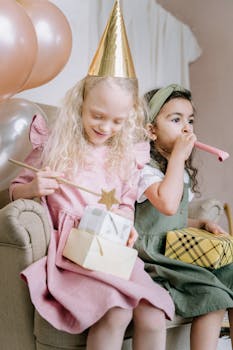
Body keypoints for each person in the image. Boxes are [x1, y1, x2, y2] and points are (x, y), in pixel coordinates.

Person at [9, 2, 174, 350]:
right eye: (97, 116)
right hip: (74, 253)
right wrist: (33, 188)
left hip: (112, 252)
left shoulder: (126, 153)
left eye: (117, 121)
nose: (106, 128)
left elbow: (126, 203)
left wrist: (127, 227)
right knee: (115, 313)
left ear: (128, 118)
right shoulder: (55, 145)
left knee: (153, 314)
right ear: (81, 104)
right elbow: (15, 191)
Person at [134, 83, 233, 350]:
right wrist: (178, 158)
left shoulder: (179, 172)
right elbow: (165, 204)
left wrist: (198, 223)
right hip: (150, 256)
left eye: (189, 120)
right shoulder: (144, 168)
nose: (187, 128)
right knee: (212, 291)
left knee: (226, 279)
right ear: (151, 131)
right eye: (176, 120)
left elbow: (172, 219)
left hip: (173, 248)